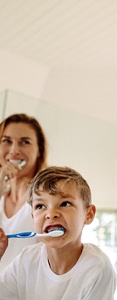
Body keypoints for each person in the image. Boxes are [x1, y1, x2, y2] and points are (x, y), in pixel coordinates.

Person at [0, 166, 117, 300]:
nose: (51, 214)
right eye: (40, 206)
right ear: (33, 218)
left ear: (88, 215)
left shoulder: (97, 268)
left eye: (65, 203)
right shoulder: (26, 260)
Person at [0, 113, 47, 272]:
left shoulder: (46, 200)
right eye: (6, 141)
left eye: (24, 142)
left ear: (39, 150)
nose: (14, 151)